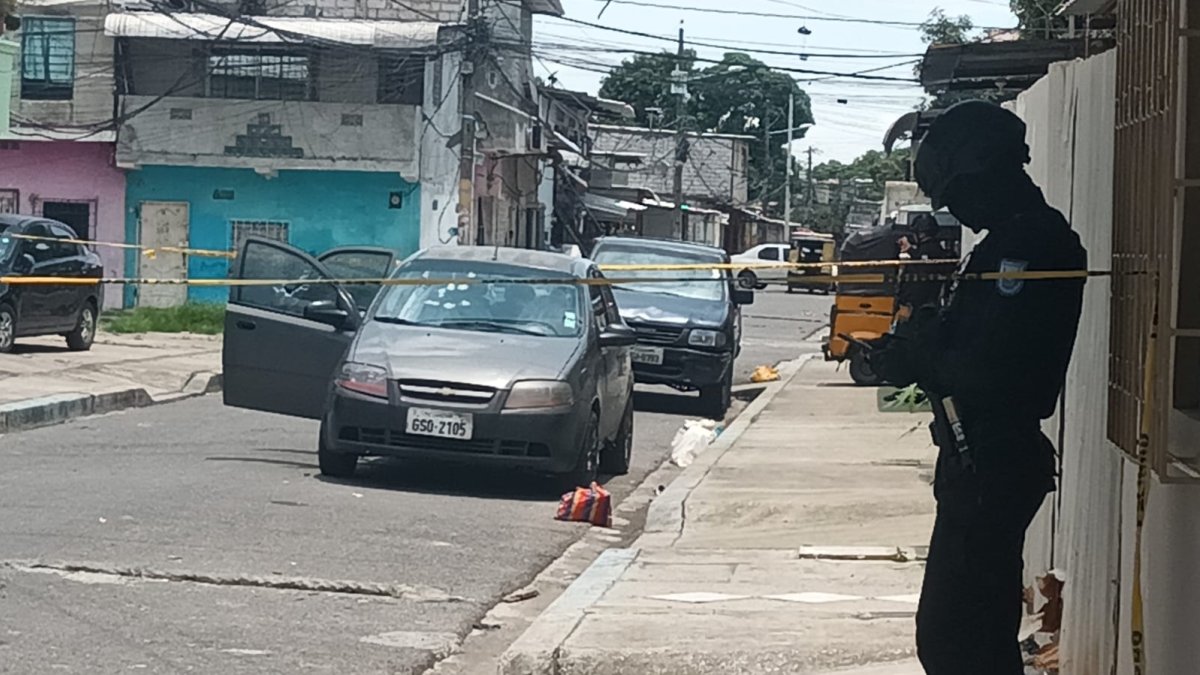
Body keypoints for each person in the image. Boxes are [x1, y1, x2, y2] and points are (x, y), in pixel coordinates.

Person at [865, 100, 1087, 675]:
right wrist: (917, 349)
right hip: (977, 459)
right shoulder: (1003, 243)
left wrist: (924, 355)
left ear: (986, 172)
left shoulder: (1033, 245)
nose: (955, 210)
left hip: (993, 459)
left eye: (956, 193)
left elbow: (1001, 367)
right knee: (960, 635)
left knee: (958, 639)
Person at [897, 213, 957, 314]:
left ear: (921, 234)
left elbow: (923, 265)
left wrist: (910, 249)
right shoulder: (936, 249)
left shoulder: (928, 250)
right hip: (927, 300)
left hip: (921, 301)